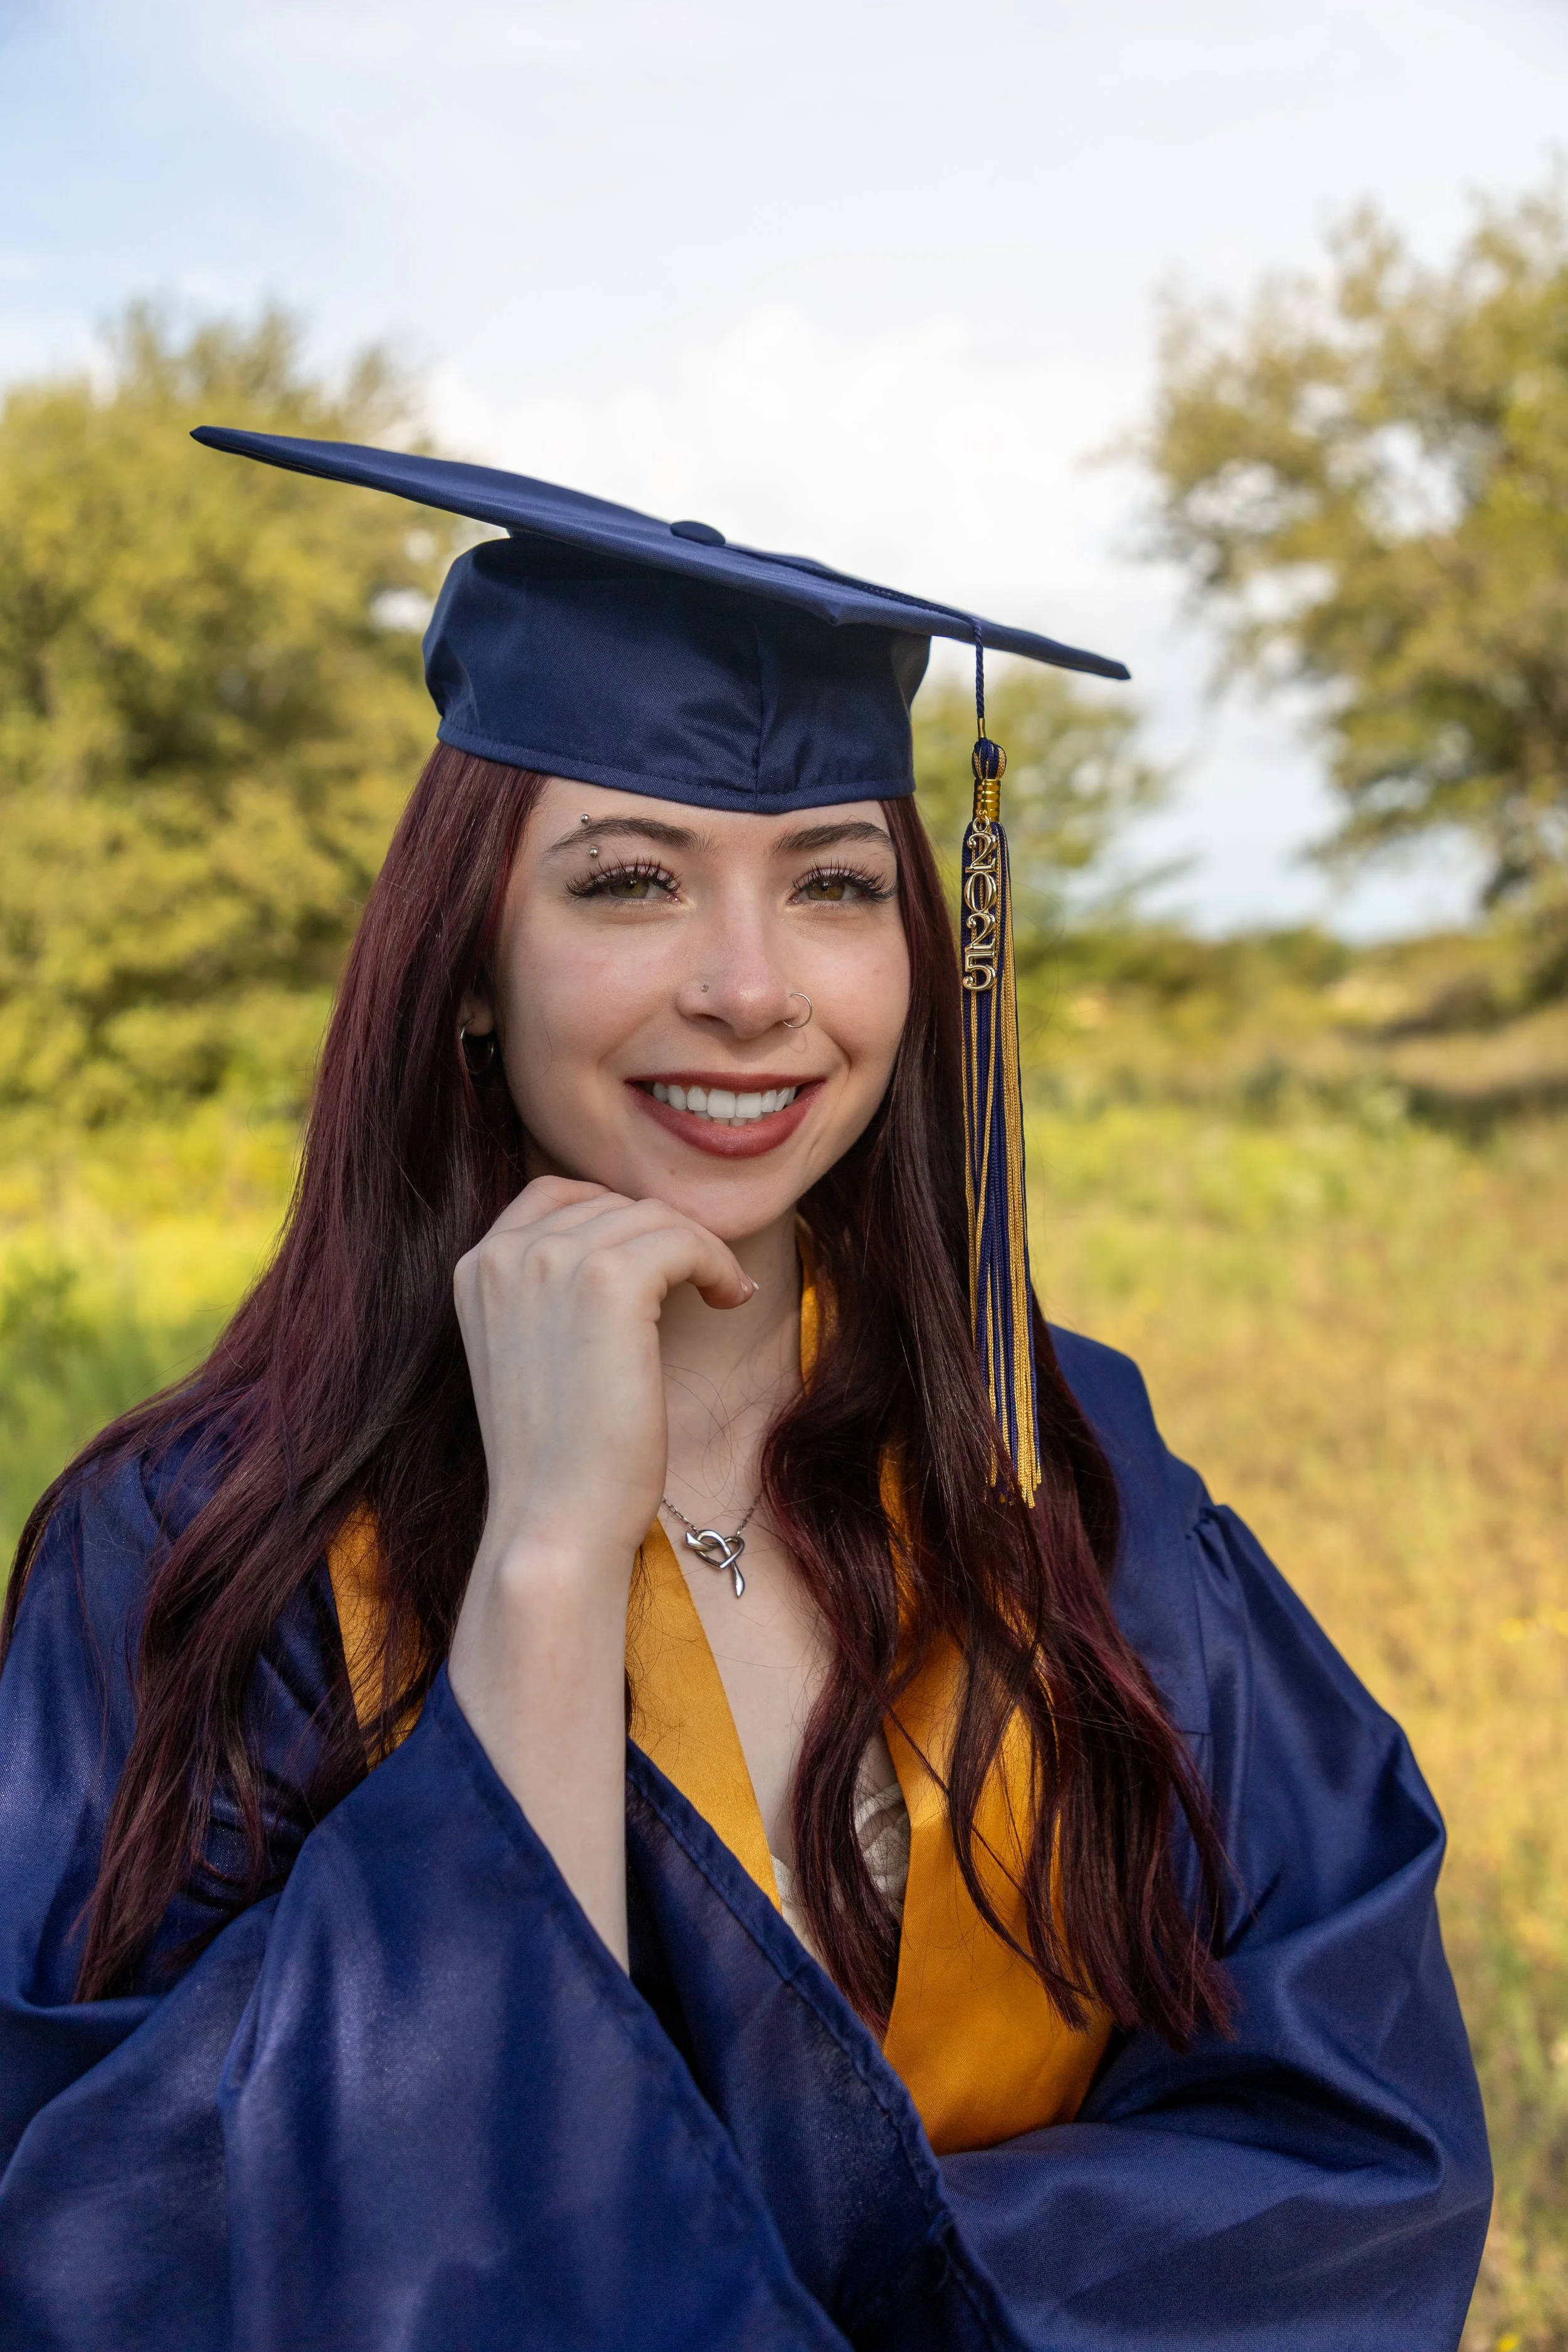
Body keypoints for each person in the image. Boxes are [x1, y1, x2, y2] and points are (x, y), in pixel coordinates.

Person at [0, 434, 1489, 2351]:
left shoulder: (1064, 1470)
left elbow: (1350, 2135)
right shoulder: (200, 1546)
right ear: (469, 959)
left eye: (832, 885)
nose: (749, 985)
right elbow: (123, 2248)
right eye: (629, 881)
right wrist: (541, 1561)